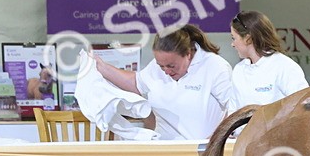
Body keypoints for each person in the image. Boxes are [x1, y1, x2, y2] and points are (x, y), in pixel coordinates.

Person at [93, 24, 234, 140]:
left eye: (172, 66)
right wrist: (101, 67)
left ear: (188, 54)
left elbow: (235, 108)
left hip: (203, 153)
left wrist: (215, 139)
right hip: (164, 149)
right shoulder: (156, 67)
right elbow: (136, 83)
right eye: (162, 66)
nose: (166, 71)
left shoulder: (215, 66)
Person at [229, 10, 310, 108]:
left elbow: (304, 106)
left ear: (248, 38)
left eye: (234, 38)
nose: (232, 44)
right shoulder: (239, 70)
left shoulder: (284, 66)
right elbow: (233, 111)